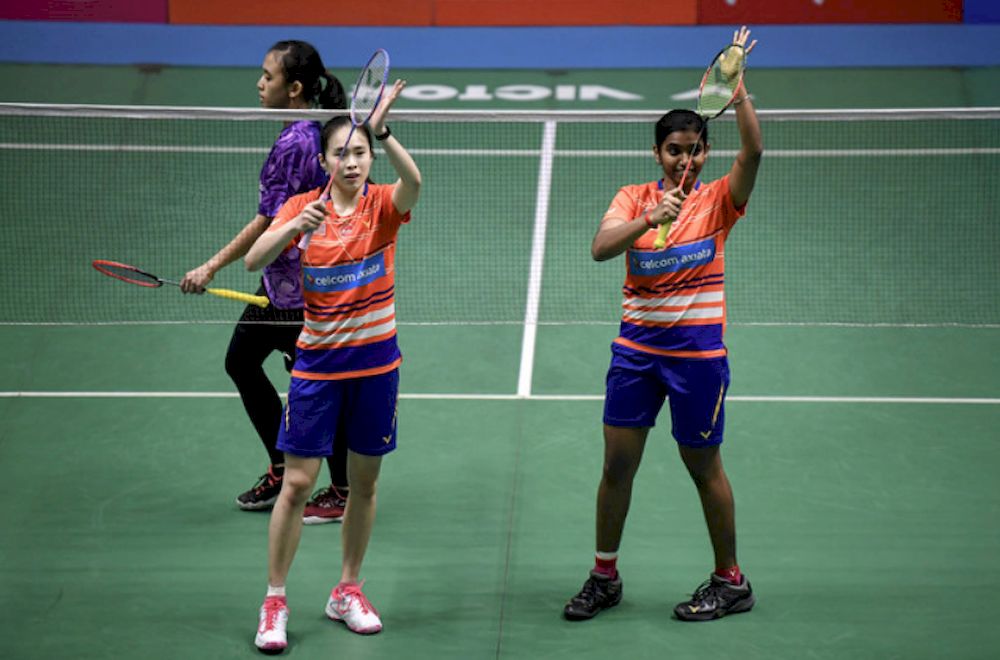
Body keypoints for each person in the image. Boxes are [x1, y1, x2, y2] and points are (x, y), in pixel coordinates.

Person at [563, 26, 762, 623]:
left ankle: (731, 582)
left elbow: (752, 154)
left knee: (704, 467)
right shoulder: (632, 198)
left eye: (694, 150)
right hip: (636, 353)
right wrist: (650, 215)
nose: (685, 159)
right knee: (617, 467)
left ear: (704, 154)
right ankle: (604, 576)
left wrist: (740, 91)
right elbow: (600, 248)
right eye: (674, 150)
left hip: (698, 356)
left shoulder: (718, 202)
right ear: (658, 154)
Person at [245, 79, 420, 653]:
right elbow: (254, 260)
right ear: (324, 160)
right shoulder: (302, 208)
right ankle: (275, 601)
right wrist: (293, 229)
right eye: (342, 152)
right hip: (318, 368)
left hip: (376, 367)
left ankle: (347, 589)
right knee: (298, 483)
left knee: (364, 487)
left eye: (361, 152)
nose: (352, 161)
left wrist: (385, 130)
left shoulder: (380, 207)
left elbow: (414, 184)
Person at [180, 40, 351, 522]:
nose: (259, 83)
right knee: (243, 361)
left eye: (268, 77)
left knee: (317, 388)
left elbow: (265, 224)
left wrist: (208, 267)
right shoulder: (307, 129)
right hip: (282, 285)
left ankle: (337, 490)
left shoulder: (294, 143)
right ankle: (283, 466)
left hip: (300, 296)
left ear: (294, 88)